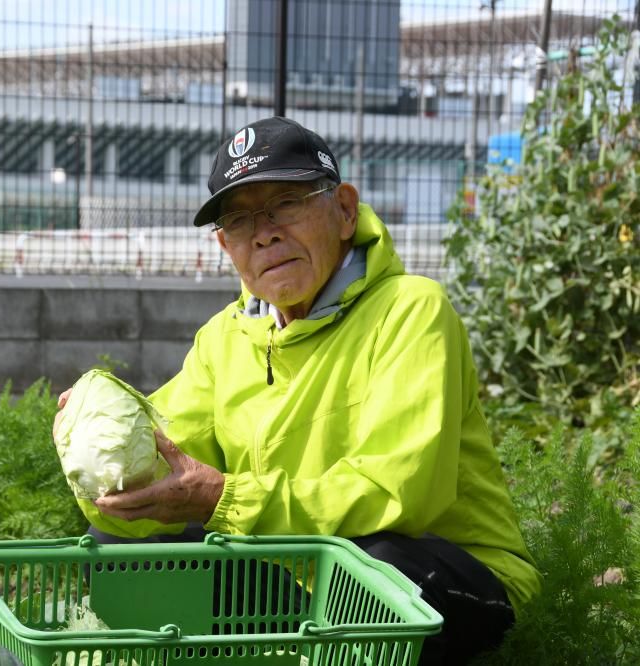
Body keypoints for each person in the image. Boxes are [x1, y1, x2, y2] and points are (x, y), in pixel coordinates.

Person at [53, 117, 541, 664]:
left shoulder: (411, 311)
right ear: (225, 244)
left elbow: (397, 496)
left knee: (368, 570)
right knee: (124, 552)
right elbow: (164, 460)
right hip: (297, 571)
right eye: (239, 220)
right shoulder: (224, 339)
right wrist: (100, 448)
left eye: (286, 203)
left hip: (441, 575)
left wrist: (223, 499)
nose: (264, 233)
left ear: (344, 211)